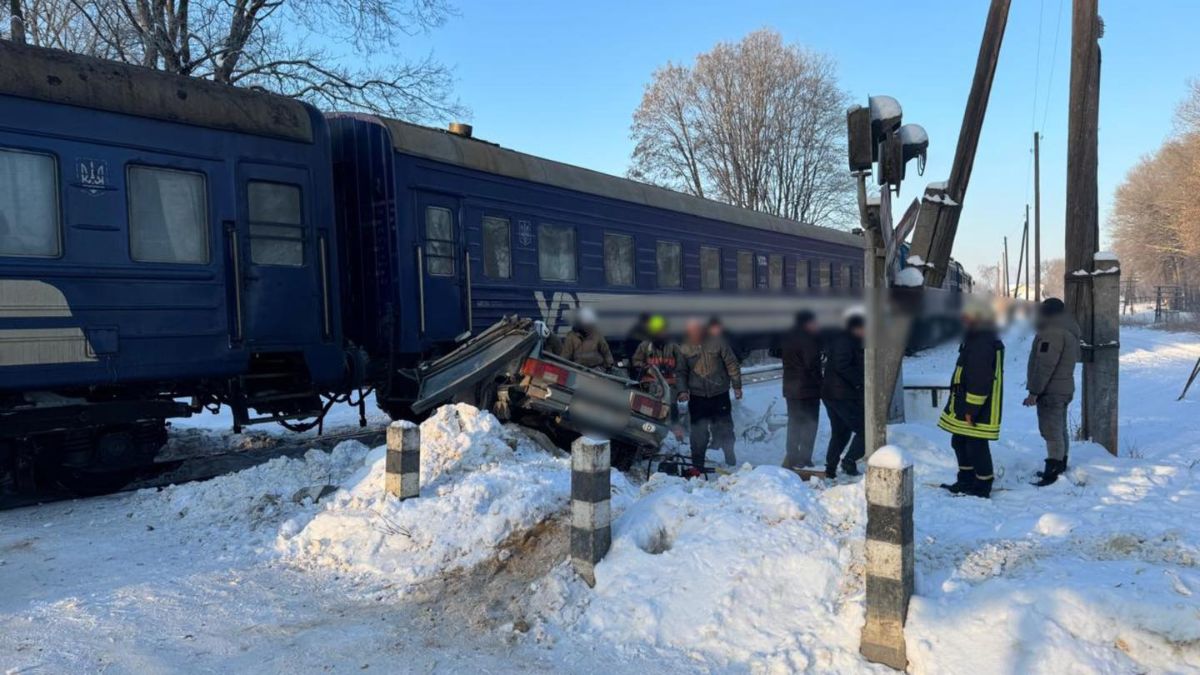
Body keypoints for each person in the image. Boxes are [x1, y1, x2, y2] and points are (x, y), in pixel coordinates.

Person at [937, 301, 1005, 498]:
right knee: (959, 440)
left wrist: (971, 409)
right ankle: (966, 479)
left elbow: (980, 378)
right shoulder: (976, 337)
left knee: (976, 445)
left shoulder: (981, 341)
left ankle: (982, 485)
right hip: (965, 402)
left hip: (976, 406)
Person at [1023, 298, 1081, 486]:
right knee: (1060, 428)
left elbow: (1044, 365)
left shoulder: (1052, 332)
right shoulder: (1066, 329)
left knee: (1051, 430)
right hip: (1063, 387)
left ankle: (1053, 470)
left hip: (1051, 390)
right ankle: (1060, 463)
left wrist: (1034, 391)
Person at [678, 317, 742, 469]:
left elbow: (731, 363)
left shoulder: (717, 342)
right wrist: (682, 390)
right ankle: (698, 465)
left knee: (725, 427)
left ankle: (730, 458)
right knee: (698, 433)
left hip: (719, 394)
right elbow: (681, 371)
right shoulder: (684, 347)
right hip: (697, 397)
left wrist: (737, 386)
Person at [822, 312, 865, 478]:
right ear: (856, 328)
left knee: (841, 432)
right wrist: (859, 382)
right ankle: (849, 461)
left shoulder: (846, 339)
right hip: (840, 394)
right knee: (865, 430)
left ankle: (830, 468)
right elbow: (842, 365)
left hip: (835, 393)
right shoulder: (845, 341)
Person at [780, 310, 823, 470]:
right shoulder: (808, 340)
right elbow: (811, 364)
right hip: (808, 389)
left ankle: (792, 457)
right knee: (810, 424)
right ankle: (805, 458)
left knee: (794, 424)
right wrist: (822, 384)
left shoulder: (788, 337)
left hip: (791, 388)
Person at [632, 315, 685, 439]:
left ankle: (675, 432)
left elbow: (682, 366)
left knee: (671, 405)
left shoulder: (673, 347)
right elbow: (636, 361)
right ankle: (647, 431)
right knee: (649, 407)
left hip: (669, 384)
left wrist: (680, 385)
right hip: (650, 383)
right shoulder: (645, 346)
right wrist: (646, 367)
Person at [558, 306, 614, 370]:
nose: (589, 327)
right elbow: (565, 354)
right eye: (587, 324)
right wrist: (560, 367)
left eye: (591, 324)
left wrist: (609, 364)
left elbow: (605, 350)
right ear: (581, 324)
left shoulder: (596, 334)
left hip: (596, 368)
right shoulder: (571, 337)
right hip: (579, 369)